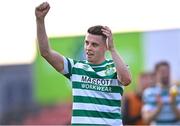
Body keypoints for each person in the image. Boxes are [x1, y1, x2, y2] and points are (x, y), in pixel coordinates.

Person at [35, 2, 131, 125]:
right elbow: (45, 52)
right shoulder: (75, 67)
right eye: (87, 43)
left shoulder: (115, 67)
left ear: (105, 47)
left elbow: (126, 80)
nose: (88, 48)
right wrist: (40, 20)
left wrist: (112, 49)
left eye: (94, 44)